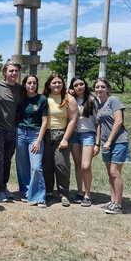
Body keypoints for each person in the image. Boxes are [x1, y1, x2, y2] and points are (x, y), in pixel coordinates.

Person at [94, 78, 131, 214]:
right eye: (97, 87)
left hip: (118, 141)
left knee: (115, 172)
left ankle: (118, 204)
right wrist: (98, 143)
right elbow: (99, 125)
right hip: (105, 143)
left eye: (103, 87)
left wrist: (109, 141)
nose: (100, 89)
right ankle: (113, 201)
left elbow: (119, 121)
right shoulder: (99, 105)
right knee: (110, 173)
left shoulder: (113, 100)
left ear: (108, 88)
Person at [41, 73, 78, 206]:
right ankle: (49, 191)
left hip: (61, 134)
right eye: (54, 83)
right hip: (45, 134)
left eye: (59, 82)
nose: (57, 85)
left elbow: (73, 119)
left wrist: (65, 138)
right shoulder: (44, 97)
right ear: (49, 85)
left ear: (63, 84)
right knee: (47, 164)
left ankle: (63, 193)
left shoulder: (68, 98)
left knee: (61, 164)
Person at [0, 61, 22, 202]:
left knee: (8, 160)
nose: (13, 73)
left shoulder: (20, 89)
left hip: (13, 129)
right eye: (11, 71)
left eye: (16, 71)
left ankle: (5, 186)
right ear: (5, 72)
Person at [15, 75, 48, 208]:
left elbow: (45, 121)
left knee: (36, 166)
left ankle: (40, 196)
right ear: (25, 85)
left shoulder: (42, 99)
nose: (32, 85)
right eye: (29, 83)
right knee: (22, 165)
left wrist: (39, 140)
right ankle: (26, 191)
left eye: (34, 83)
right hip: (21, 133)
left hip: (36, 134)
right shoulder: (21, 99)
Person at [69, 77, 100, 207]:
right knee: (77, 163)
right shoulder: (71, 99)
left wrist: (97, 143)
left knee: (85, 166)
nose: (79, 87)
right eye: (76, 85)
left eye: (81, 84)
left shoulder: (92, 100)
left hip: (88, 133)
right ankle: (80, 191)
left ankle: (88, 194)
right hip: (74, 134)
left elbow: (99, 123)